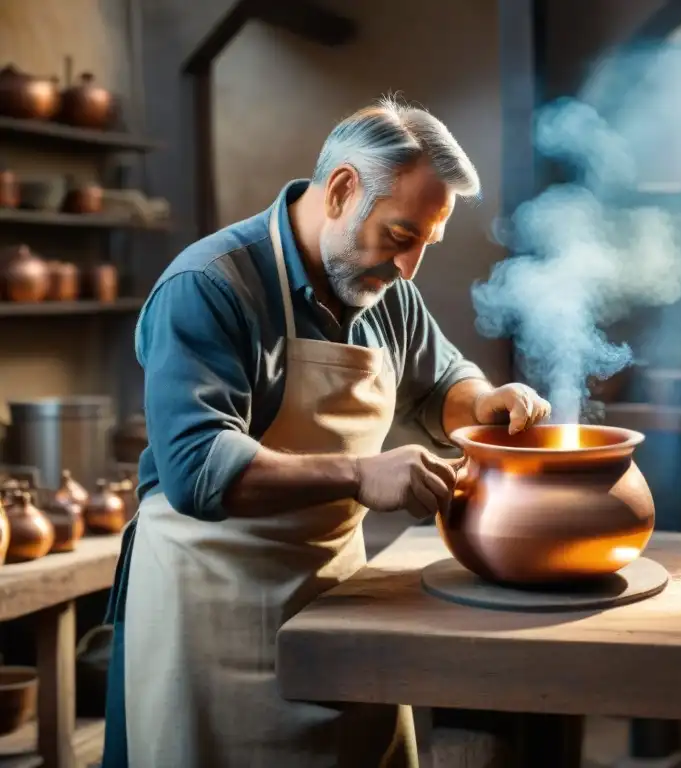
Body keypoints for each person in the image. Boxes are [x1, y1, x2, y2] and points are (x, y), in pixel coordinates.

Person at [100, 96, 551, 768]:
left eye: (428, 244)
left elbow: (439, 384)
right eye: (402, 236)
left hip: (333, 597)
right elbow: (198, 470)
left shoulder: (386, 292)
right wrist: (363, 475)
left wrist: (486, 402)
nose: (409, 269)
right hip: (211, 607)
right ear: (341, 190)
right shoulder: (209, 285)